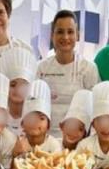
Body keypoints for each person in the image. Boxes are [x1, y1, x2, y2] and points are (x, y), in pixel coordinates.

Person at [36, 10, 101, 138]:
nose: (65, 37)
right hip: (47, 139)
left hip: (78, 140)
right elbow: (35, 108)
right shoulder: (41, 68)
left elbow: (95, 108)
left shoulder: (88, 68)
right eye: (60, 32)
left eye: (70, 32)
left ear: (77, 35)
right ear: (51, 35)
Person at [12, 80, 62, 158]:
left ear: (48, 125)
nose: (35, 122)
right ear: (22, 123)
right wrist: (15, 154)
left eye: (41, 118)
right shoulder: (17, 142)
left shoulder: (54, 144)